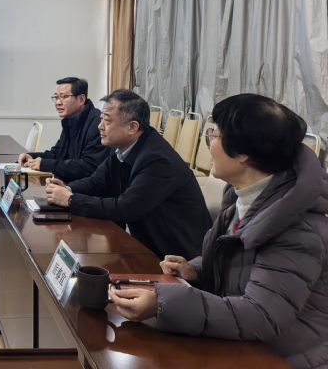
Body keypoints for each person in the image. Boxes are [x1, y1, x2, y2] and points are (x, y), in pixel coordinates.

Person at [110, 94, 328, 368]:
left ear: (243, 152)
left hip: (282, 357)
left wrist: (164, 303)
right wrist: (196, 270)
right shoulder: (245, 197)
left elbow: (261, 315)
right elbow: (246, 265)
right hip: (241, 343)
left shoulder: (297, 229)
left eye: (214, 135)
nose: (209, 144)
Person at [45, 89, 211, 259]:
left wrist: (71, 200)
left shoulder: (158, 160)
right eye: (101, 119)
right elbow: (97, 182)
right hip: (144, 245)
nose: (100, 126)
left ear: (132, 127)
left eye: (107, 120)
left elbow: (124, 208)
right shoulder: (124, 146)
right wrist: (67, 188)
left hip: (174, 256)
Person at [18, 77, 109, 182]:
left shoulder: (97, 124)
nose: (58, 102)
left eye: (64, 97)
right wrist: (31, 157)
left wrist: (45, 164)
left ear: (81, 99)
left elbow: (88, 167)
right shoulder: (70, 120)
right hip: (70, 182)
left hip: (85, 187)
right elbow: (57, 153)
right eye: (56, 97)